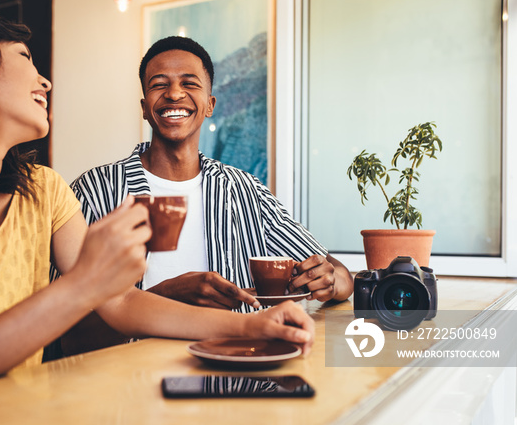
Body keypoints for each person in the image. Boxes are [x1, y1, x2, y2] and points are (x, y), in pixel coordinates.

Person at [0, 11, 315, 388]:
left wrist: (255, 324)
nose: (45, 80)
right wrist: (86, 283)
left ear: (209, 104)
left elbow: (121, 300)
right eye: (25, 58)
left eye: (190, 84)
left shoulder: (43, 189)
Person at [64, 36, 353, 352]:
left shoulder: (244, 191)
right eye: (159, 85)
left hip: (237, 379)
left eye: (189, 83)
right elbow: (65, 333)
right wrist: (165, 295)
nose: (174, 94)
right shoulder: (95, 191)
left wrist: (328, 281)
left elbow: (340, 275)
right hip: (128, 385)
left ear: (210, 105)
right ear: (145, 108)